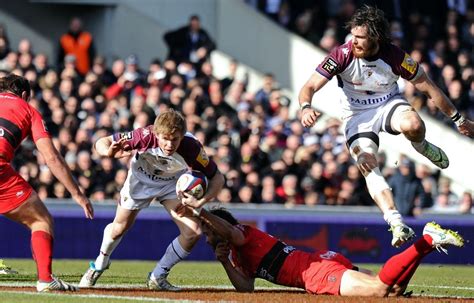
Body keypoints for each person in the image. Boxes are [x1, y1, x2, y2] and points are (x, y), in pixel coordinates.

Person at [298, 5, 474, 247]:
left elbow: (430, 87)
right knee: (366, 162)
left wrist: (459, 120)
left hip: (389, 104)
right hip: (357, 115)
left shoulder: (396, 57)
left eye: (360, 38)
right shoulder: (342, 54)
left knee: (413, 124)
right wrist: (306, 107)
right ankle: (395, 221)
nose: (354, 42)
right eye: (353, 36)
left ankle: (421, 146)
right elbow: (309, 86)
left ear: (376, 37)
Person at [79, 109, 225, 291]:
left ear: (182, 136)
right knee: (119, 229)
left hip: (171, 185)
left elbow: (218, 178)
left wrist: (201, 202)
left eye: (175, 139)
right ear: (157, 134)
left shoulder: (191, 147)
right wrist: (107, 152)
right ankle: (100, 263)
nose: (170, 144)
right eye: (165, 138)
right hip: (139, 182)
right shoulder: (144, 136)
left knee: (193, 232)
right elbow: (102, 141)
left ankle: (158, 276)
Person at [185, 206, 464, 296]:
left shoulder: (242, 234)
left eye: (208, 230)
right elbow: (246, 289)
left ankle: (426, 240)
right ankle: (427, 245)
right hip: (320, 263)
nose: (205, 236)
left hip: (317, 274)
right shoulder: (236, 253)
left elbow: (229, 231)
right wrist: (225, 263)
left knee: (380, 290)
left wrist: (200, 212)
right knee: (392, 292)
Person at [0, 74, 94, 291]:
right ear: (24, 95)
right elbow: (51, 157)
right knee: (40, 220)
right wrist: (77, 194)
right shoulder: (28, 109)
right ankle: (45, 280)